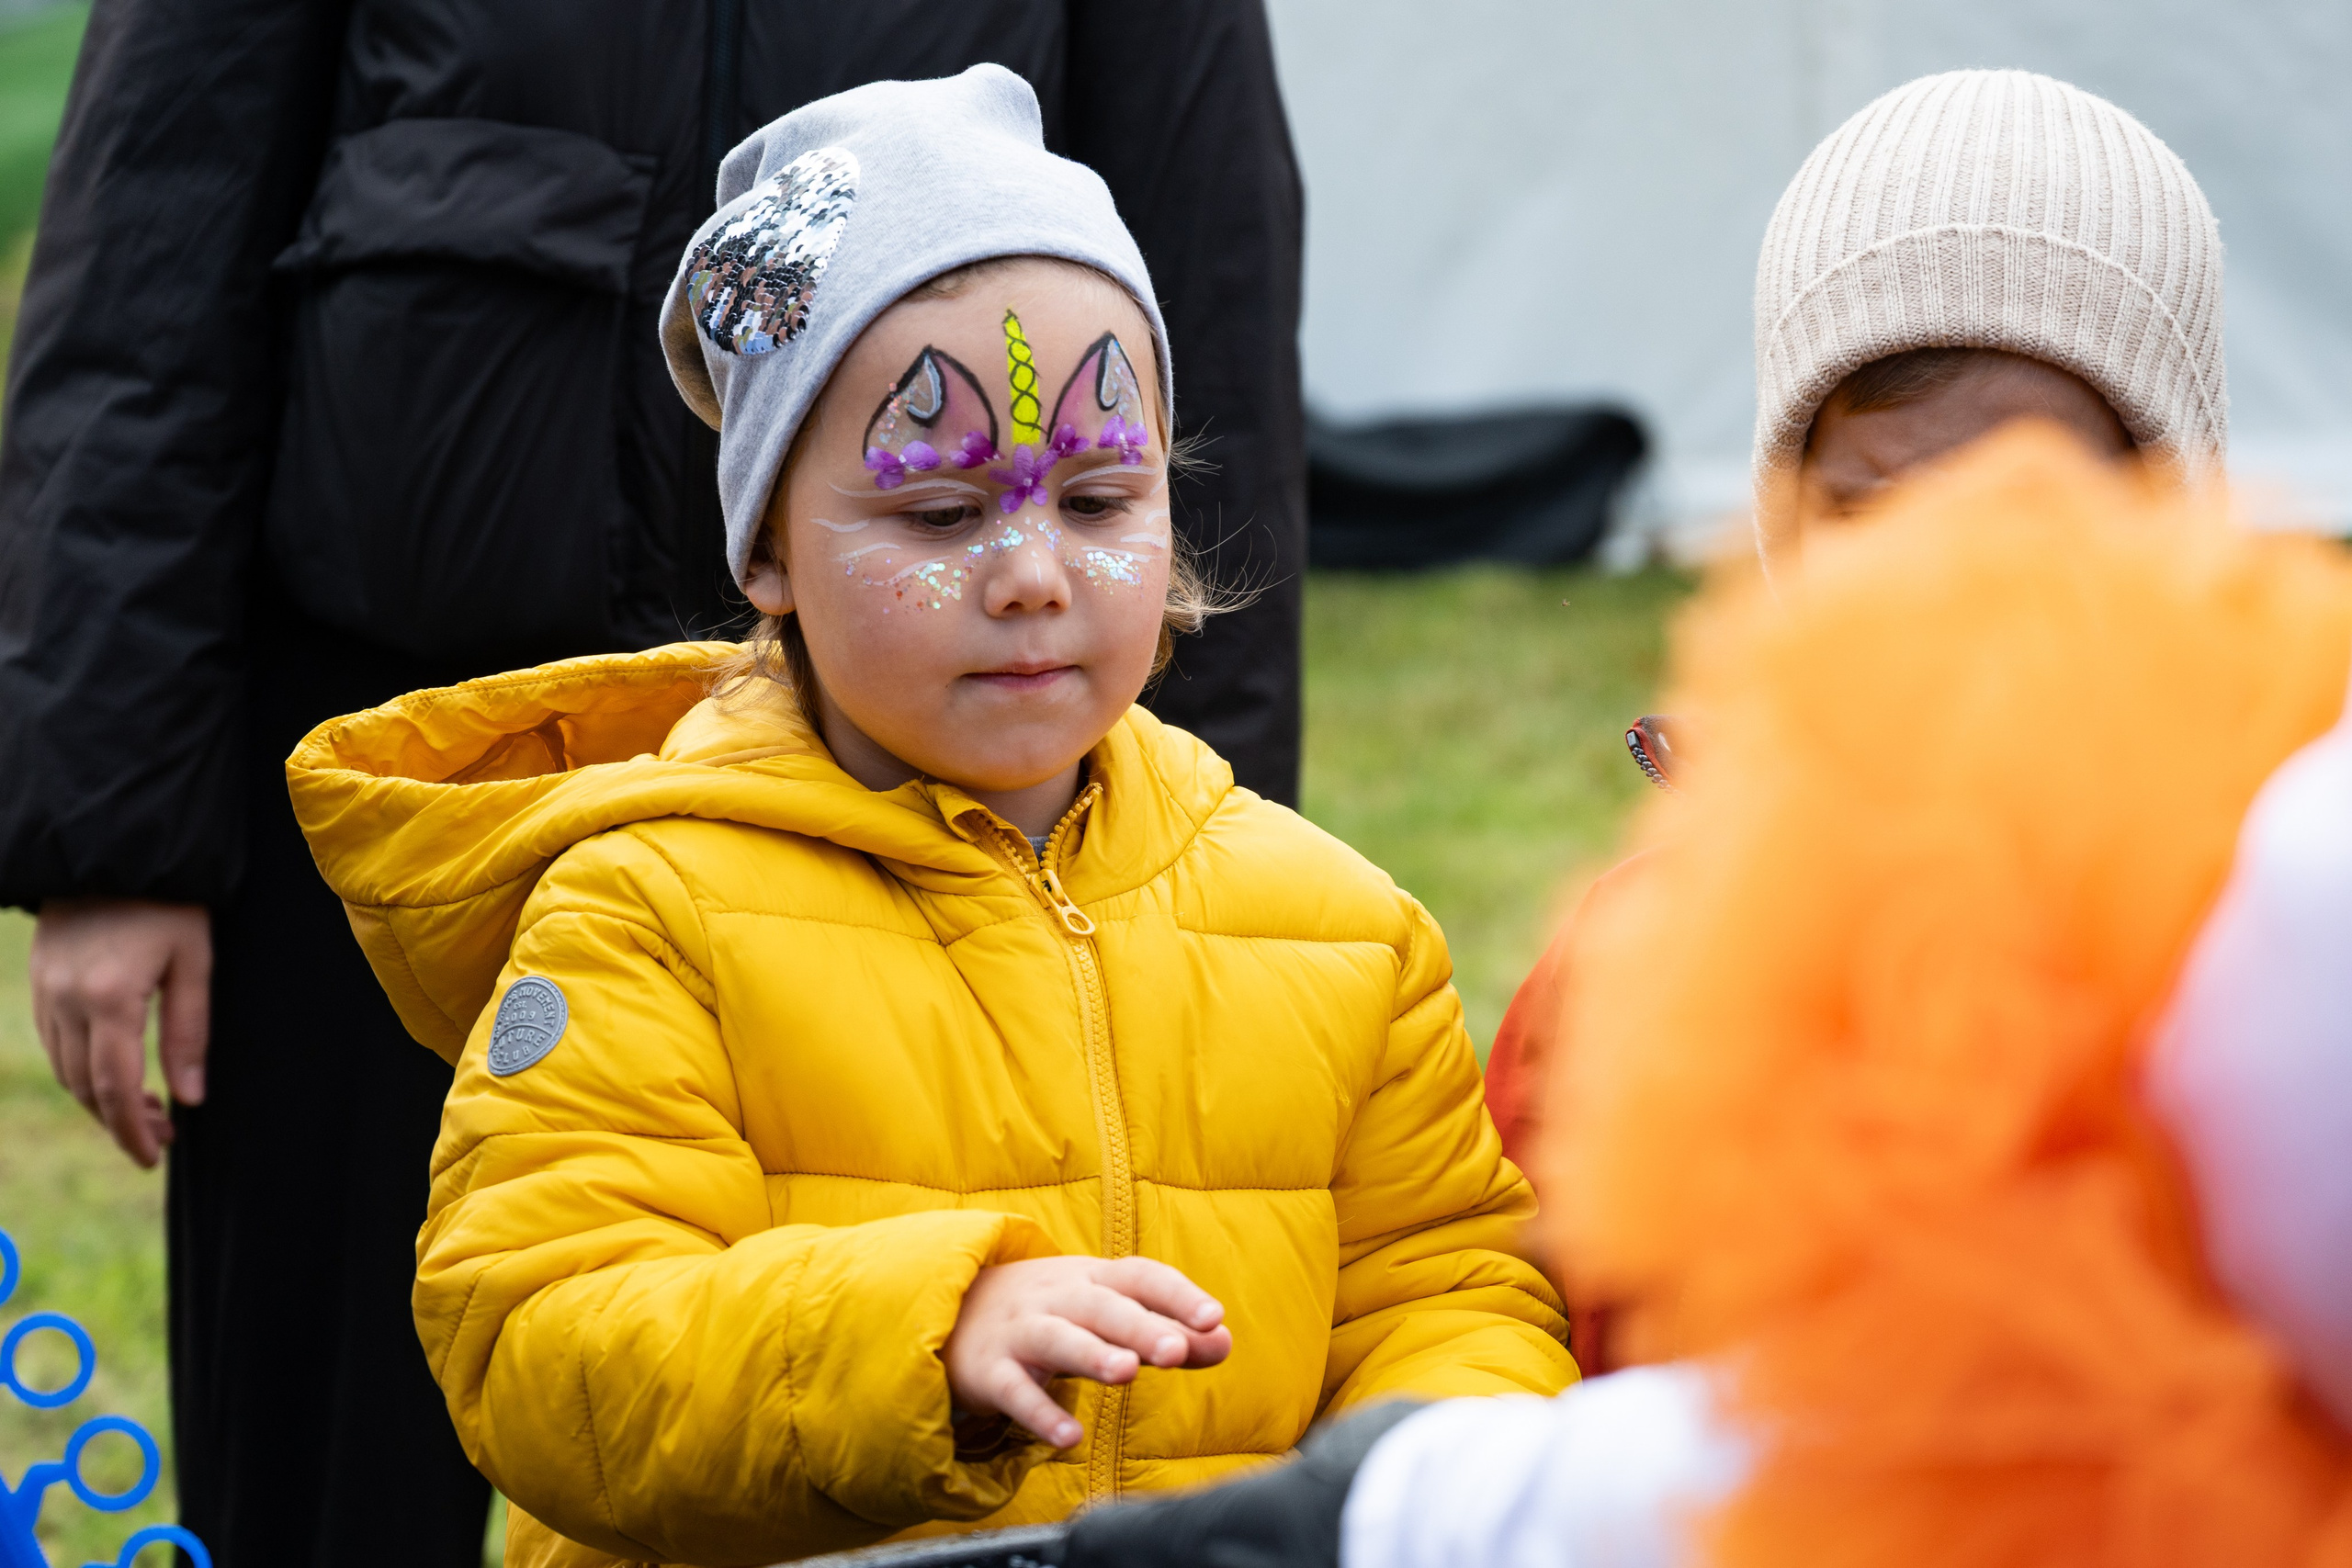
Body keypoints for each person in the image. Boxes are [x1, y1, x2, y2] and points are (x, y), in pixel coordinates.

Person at [3, 4, 1303, 1562]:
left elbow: (1204, 277)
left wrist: (1202, 858)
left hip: (907, 768)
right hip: (382, 767)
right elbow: (155, 242)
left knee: (865, 1404)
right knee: (332, 1452)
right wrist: (116, 832)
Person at [287, 70, 1572, 1568]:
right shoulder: (647, 915)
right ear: (767, 547)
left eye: (1098, 499)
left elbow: (1449, 1289)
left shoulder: (1340, 930)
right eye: (941, 517)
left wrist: (1414, 1478)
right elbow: (545, 1349)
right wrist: (913, 1336)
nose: (1031, 574)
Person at [893, 428, 2352, 1568]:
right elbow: (1562, 1322)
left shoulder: (2269, 894)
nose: (1958, 566)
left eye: (2045, 492)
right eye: (1870, 505)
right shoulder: (1649, 957)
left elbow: (1450, 1296)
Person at [1481, 73, 2232, 1323]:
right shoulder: (1642, 960)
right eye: (1867, 512)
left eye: (2018, 512)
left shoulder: (2267, 941)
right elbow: (1522, 1333)